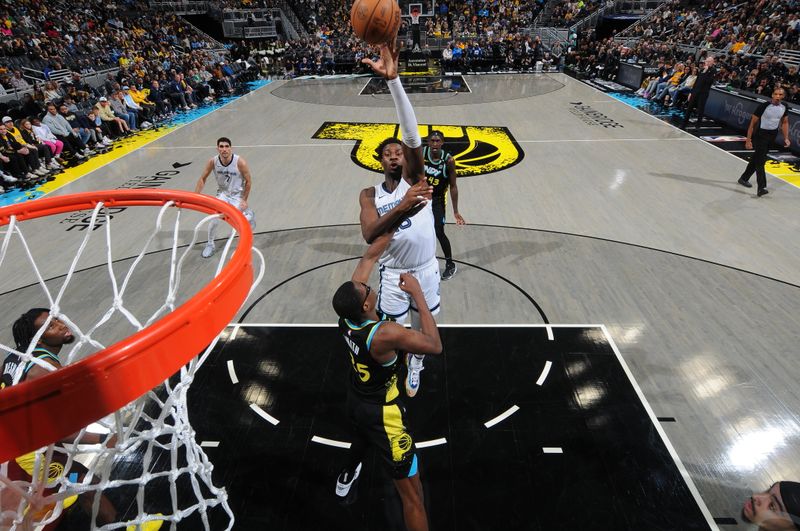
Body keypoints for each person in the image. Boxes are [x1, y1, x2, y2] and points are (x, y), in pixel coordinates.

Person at [1, 309, 163, 530]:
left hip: (19, 443)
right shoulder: (43, 372)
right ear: (38, 338)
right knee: (85, 484)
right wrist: (105, 439)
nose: (60, 324)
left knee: (80, 487)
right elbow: (57, 432)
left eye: (56, 318)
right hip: (31, 453)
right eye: (50, 325)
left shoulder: (16, 357)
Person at [332, 235, 442, 531]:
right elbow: (434, 345)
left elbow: (368, 258)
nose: (370, 285)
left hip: (356, 398)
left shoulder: (347, 317)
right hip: (384, 414)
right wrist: (418, 294)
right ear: (368, 303)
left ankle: (346, 474)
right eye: (368, 289)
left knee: (362, 438)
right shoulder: (383, 334)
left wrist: (395, 222)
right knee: (413, 497)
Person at [358, 42, 438, 399]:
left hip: (425, 266)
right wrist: (404, 205)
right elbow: (370, 234)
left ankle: (416, 366)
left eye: (399, 153)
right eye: (388, 154)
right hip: (391, 273)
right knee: (394, 327)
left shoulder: (415, 179)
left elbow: (413, 136)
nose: (395, 156)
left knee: (423, 324)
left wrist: (394, 82)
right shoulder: (370, 195)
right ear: (380, 161)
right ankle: (395, 366)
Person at [194, 137, 255, 258]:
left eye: (227, 146)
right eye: (221, 147)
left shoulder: (240, 162)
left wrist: (244, 200)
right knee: (214, 218)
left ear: (231, 148)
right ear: (217, 148)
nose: (224, 149)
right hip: (223, 194)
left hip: (237, 195)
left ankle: (244, 241)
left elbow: (248, 181)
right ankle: (210, 244)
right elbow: (202, 178)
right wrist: (195, 195)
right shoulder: (213, 161)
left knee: (238, 222)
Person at [423, 130, 465, 280]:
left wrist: (456, 211)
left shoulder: (449, 161)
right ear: (428, 142)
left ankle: (450, 264)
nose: (434, 143)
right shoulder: (421, 154)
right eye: (432, 141)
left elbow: (453, 186)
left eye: (437, 141)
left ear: (442, 143)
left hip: (437, 200)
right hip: (421, 198)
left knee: (439, 232)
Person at [737, 87, 791, 197]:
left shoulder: (784, 106)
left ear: (783, 96)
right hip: (761, 135)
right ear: (772, 95)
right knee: (761, 161)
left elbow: (785, 122)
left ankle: (744, 178)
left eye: (780, 95)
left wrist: (786, 138)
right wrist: (748, 140)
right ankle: (762, 187)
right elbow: (752, 124)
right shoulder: (764, 106)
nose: (777, 96)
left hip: (772, 135)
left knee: (758, 157)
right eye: (775, 94)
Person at [682, 55, 716, 130]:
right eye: (706, 61)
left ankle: (698, 126)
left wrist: (706, 71)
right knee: (689, 108)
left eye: (708, 61)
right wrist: (691, 92)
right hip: (695, 92)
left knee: (700, 110)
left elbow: (708, 81)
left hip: (703, 93)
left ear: (712, 62)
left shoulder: (713, 70)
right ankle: (684, 123)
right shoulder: (701, 70)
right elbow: (697, 81)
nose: (706, 63)